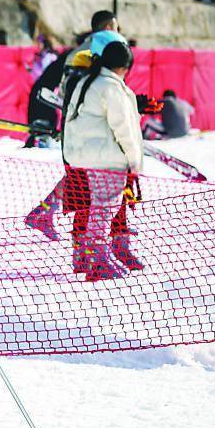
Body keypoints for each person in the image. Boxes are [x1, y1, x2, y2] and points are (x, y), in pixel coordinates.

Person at [25, 27, 127, 241]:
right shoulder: (82, 59)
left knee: (79, 176)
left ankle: (45, 212)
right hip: (57, 112)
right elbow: (67, 94)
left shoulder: (86, 56)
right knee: (82, 179)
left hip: (67, 117)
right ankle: (87, 244)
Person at [62, 40, 143, 281]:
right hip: (105, 159)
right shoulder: (110, 87)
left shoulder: (88, 82)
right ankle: (98, 260)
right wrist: (134, 161)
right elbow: (124, 128)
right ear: (124, 66)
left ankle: (89, 256)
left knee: (99, 207)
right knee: (104, 209)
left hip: (85, 156)